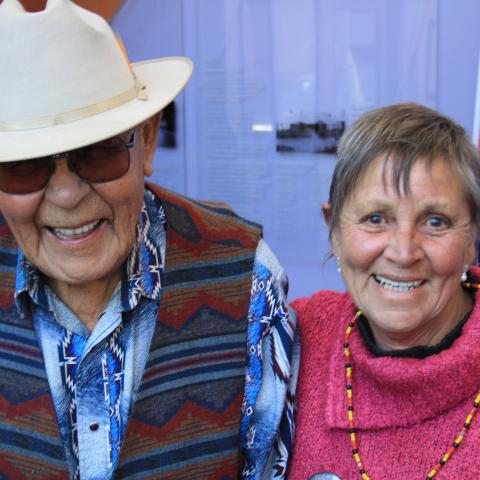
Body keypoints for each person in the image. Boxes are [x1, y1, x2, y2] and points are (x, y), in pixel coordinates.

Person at [0, 1, 299, 479]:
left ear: (149, 140)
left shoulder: (247, 281)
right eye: (23, 168)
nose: (65, 195)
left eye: (97, 153)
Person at [288, 102, 480, 479]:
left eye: (435, 221)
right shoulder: (291, 338)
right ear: (334, 229)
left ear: (471, 239)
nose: (403, 253)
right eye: (376, 219)